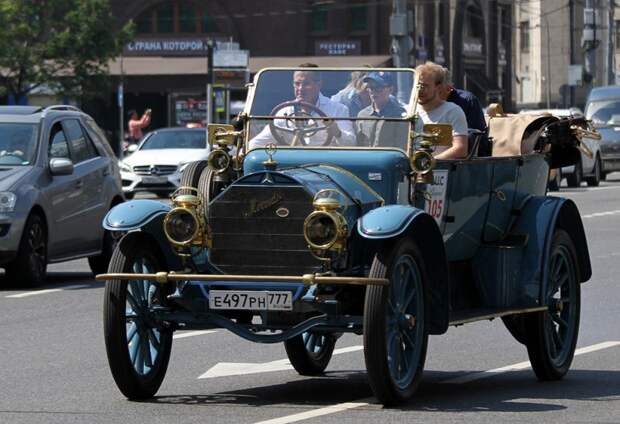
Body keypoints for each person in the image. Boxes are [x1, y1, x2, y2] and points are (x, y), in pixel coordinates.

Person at [249, 69, 355, 148]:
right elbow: (259, 142)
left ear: (319, 85)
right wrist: (243, 153)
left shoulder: (338, 110)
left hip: (327, 164)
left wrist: (337, 132)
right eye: (297, 84)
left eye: (306, 84)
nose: (300, 89)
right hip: (292, 166)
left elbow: (351, 144)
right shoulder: (284, 112)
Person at [415, 62, 468, 160]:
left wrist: (431, 162)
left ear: (438, 88)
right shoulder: (408, 111)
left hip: (439, 170)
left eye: (425, 86)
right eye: (417, 85)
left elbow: (461, 148)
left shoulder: (453, 111)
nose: (420, 90)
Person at [438, 67, 490, 156]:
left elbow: (474, 134)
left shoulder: (468, 100)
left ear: (448, 88)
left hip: (466, 158)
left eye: (438, 90)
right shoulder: (425, 104)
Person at [356, 71, 408, 148]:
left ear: (390, 89)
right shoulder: (362, 115)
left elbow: (402, 147)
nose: (373, 91)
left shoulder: (400, 115)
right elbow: (359, 145)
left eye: (378, 88)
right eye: (370, 87)